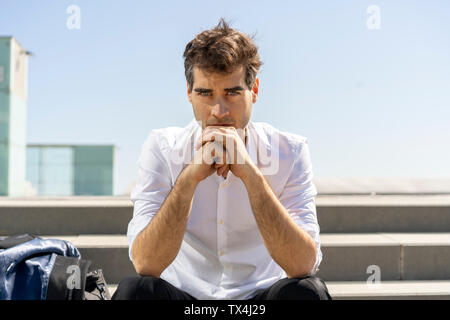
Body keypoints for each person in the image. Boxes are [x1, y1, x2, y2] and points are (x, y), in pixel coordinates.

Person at [112, 18, 332, 300]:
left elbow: (303, 265)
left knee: (307, 292)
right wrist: (190, 177)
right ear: (189, 94)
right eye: (205, 93)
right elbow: (146, 263)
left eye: (232, 92)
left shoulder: (290, 151)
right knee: (136, 291)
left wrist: (250, 174)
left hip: (258, 300)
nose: (219, 110)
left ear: (253, 91)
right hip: (187, 299)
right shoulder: (163, 146)